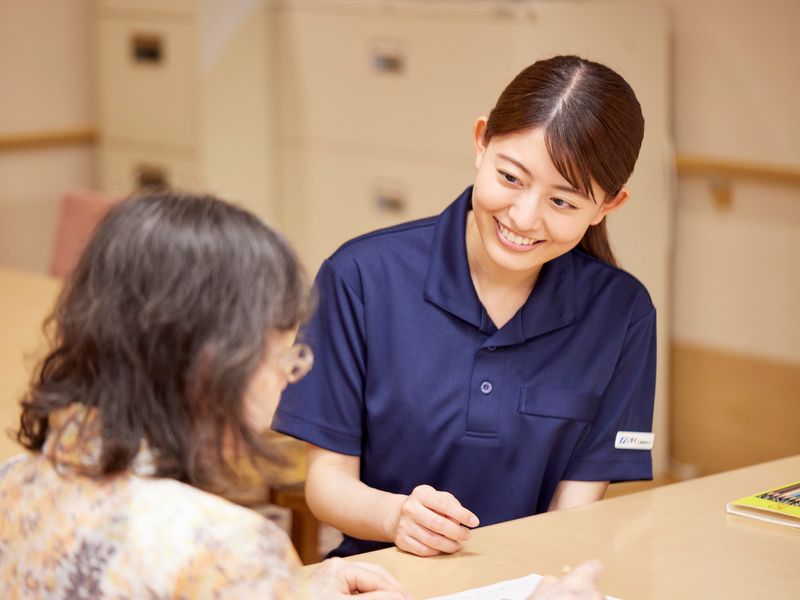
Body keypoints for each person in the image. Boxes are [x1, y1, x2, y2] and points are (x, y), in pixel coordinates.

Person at [273, 54, 657, 558]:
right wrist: (397, 517)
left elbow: (577, 513)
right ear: (481, 142)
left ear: (608, 206)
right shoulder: (361, 277)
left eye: (562, 202)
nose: (524, 217)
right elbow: (326, 482)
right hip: (384, 581)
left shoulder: (622, 313)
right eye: (511, 178)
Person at [0, 193, 409, 599]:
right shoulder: (225, 548)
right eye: (286, 356)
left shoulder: (11, 485)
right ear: (218, 366)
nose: (290, 376)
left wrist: (286, 589)